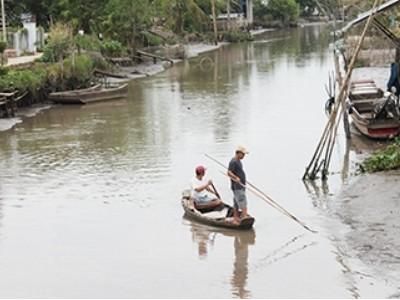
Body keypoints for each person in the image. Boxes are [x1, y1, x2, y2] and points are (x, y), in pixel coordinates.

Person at [228, 146, 249, 224]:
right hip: (237, 186)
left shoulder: (238, 161)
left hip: (241, 185)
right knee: (242, 200)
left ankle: (235, 218)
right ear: (238, 153)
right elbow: (229, 172)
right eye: (242, 154)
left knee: (236, 202)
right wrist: (236, 177)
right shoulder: (233, 161)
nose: (244, 156)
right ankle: (244, 216)